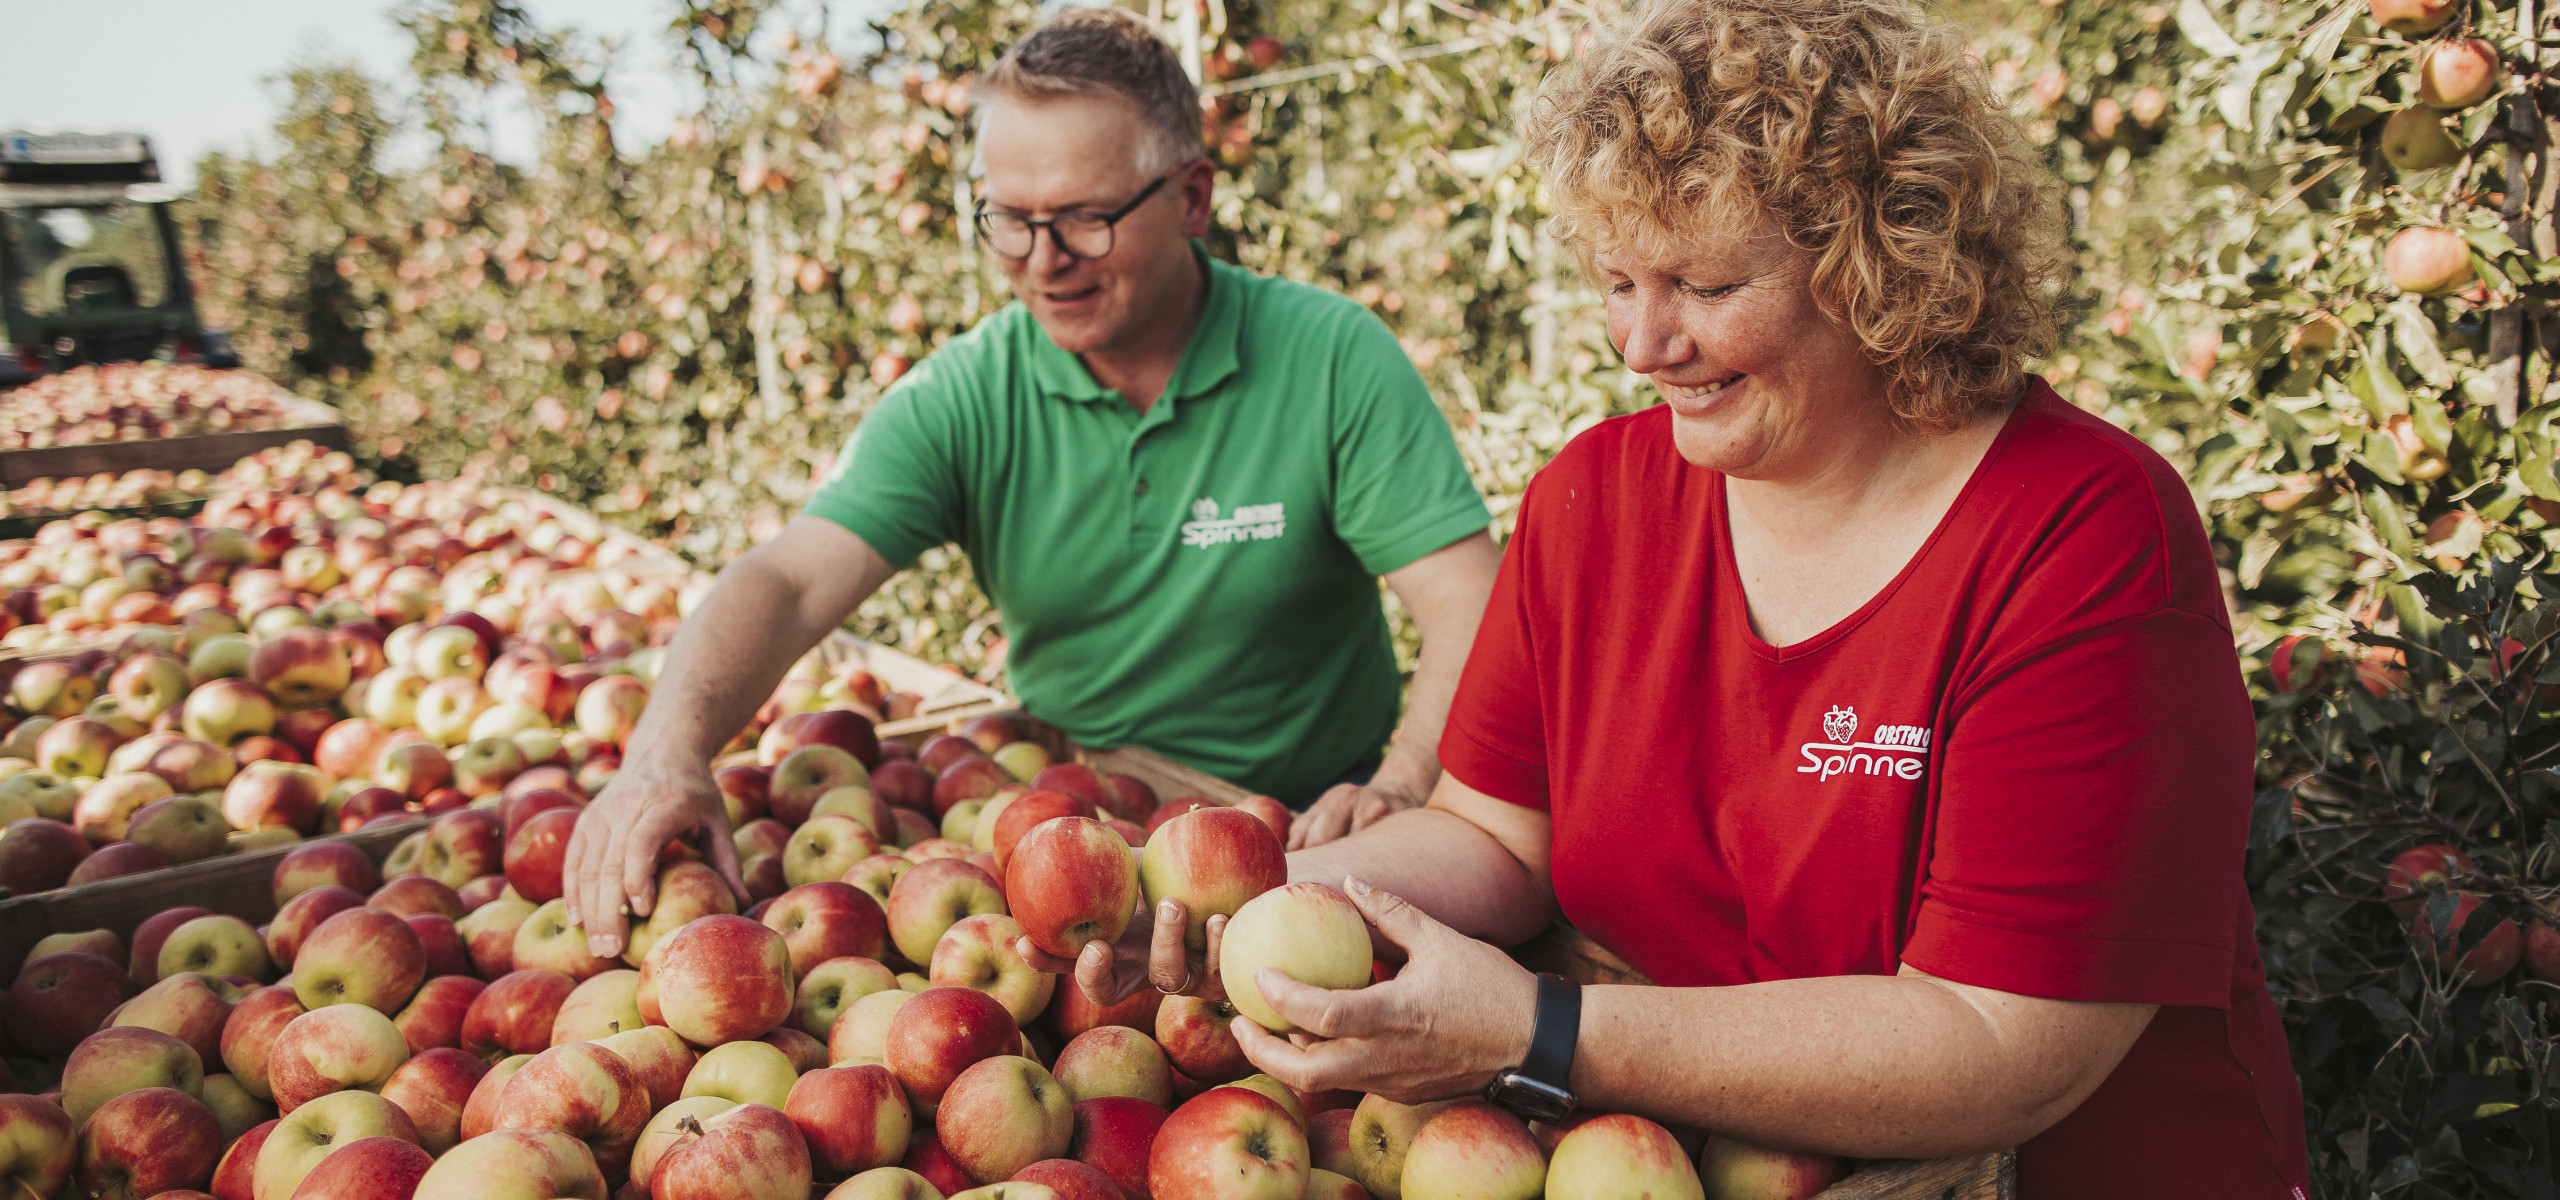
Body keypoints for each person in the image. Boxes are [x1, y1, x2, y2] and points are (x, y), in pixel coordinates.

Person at [1033, 1, 2311, 1194]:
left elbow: (1997, 1044)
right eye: (1615, 283)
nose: (1643, 346)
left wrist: (1537, 1032)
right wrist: (1248, 904)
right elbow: (1493, 836)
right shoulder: (1596, 502)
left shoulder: (2081, 538)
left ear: (1885, 269)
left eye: (1704, 287)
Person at [562, 8, 1498, 960]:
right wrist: (667, 749)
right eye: (1009, 220)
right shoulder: (968, 395)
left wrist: (1402, 784)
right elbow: (793, 579)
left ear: (1192, 197)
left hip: (1303, 841)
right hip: (1074, 839)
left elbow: (1471, 600)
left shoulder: (1328, 359)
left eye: (1086, 220)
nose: (1042, 262)